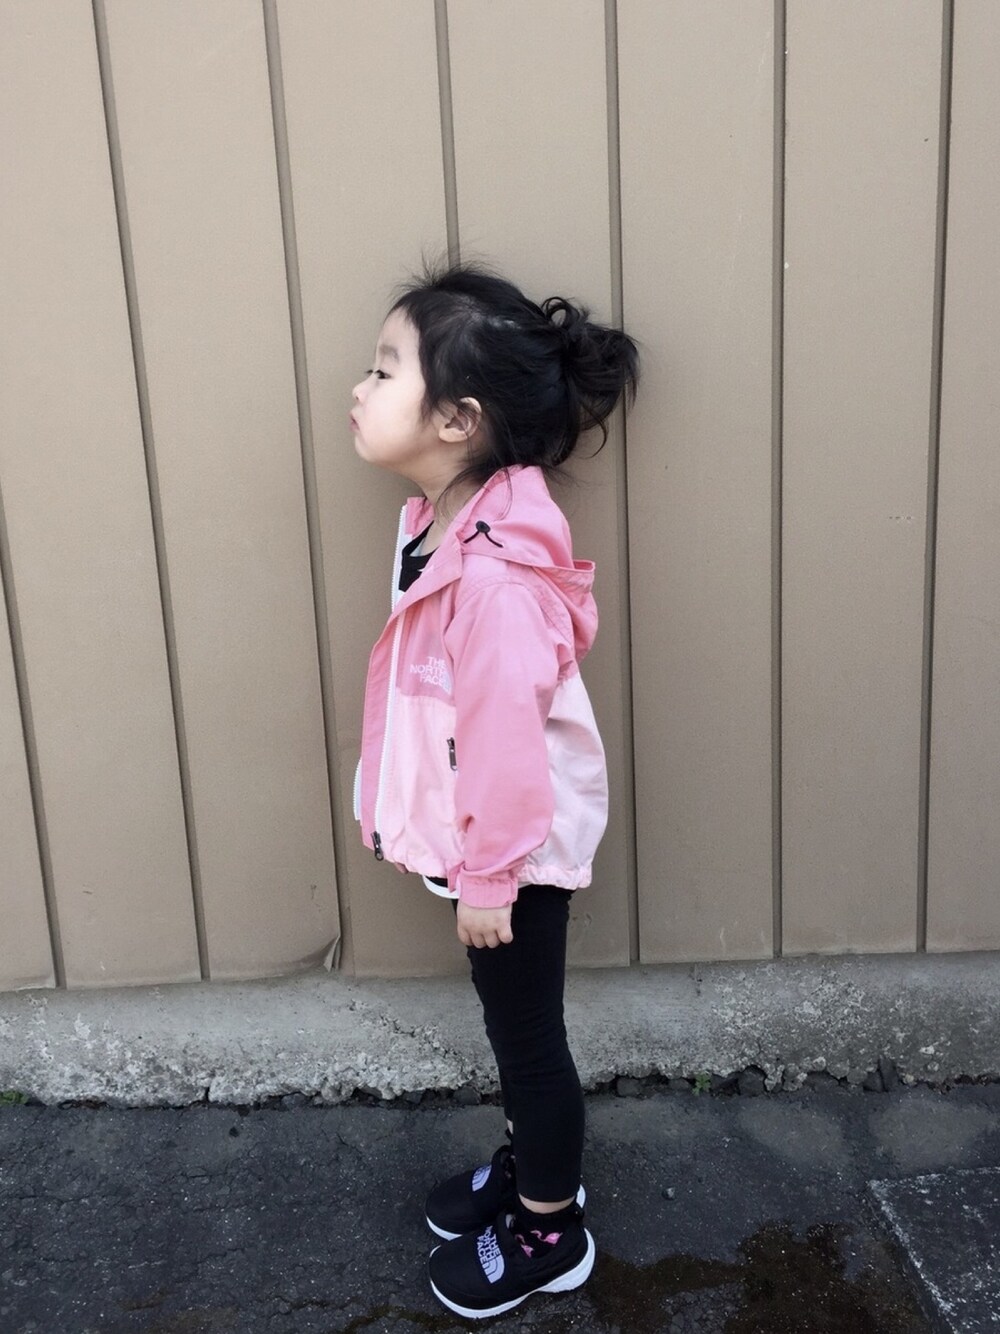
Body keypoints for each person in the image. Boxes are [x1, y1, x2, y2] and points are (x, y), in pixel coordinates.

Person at [351, 262, 638, 1319]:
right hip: (484, 841)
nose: (359, 388)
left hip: (510, 854)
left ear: (458, 419)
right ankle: (529, 1169)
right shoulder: (445, 517)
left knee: (528, 1043)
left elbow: (509, 746)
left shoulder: (495, 578)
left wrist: (489, 878)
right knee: (511, 1031)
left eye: (385, 370)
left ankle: (549, 1229)